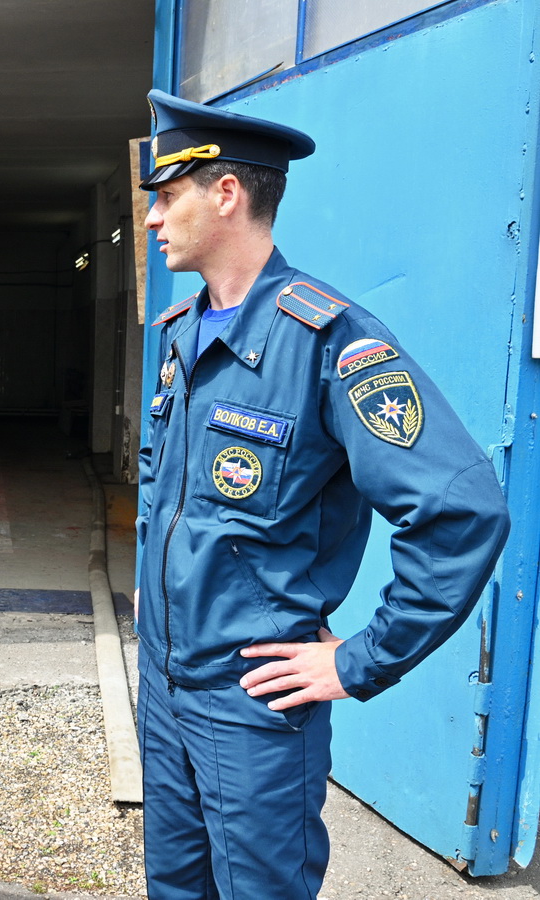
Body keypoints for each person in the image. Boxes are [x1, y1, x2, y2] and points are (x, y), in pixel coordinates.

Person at [134, 89, 510, 899]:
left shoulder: (329, 341)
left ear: (224, 193)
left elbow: (459, 510)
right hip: (161, 688)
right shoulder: (179, 334)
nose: (152, 219)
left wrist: (362, 658)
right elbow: (163, 485)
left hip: (249, 701)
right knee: (173, 887)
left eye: (165, 196)